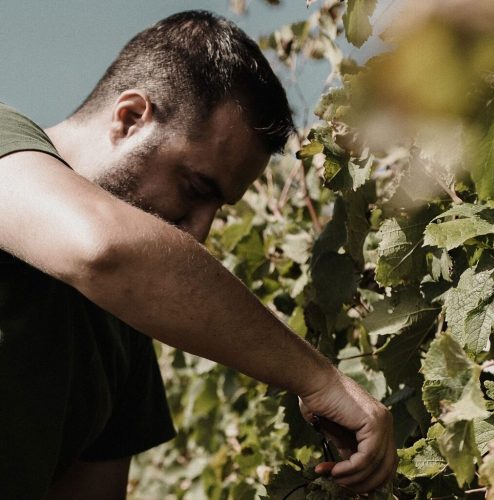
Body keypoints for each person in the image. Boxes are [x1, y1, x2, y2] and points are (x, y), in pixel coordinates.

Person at [0, 10, 396, 500]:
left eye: (218, 207)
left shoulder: (127, 328)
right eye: (194, 187)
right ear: (129, 118)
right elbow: (103, 248)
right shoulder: (3, 137)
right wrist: (317, 379)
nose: (201, 230)